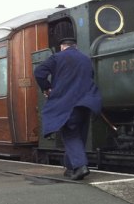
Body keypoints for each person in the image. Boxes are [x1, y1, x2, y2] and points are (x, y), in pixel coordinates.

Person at [34, 37, 102, 180]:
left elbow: (39, 72)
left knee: (70, 134)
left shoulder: (57, 57)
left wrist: (47, 88)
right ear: (75, 46)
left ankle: (80, 166)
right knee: (80, 135)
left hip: (67, 102)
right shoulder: (86, 59)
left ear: (62, 47)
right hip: (87, 102)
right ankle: (71, 167)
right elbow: (91, 77)